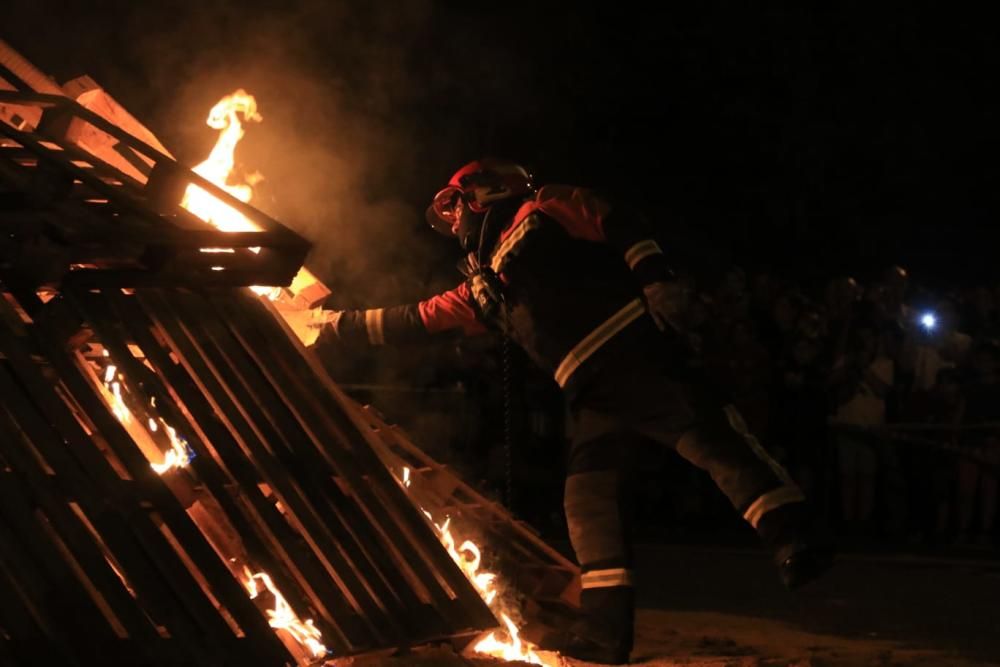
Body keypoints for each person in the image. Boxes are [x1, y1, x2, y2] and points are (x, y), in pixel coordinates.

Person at [316, 158, 833, 664]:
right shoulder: (484, 284)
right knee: (588, 501)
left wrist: (657, 280)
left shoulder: (543, 206)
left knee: (714, 444)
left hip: (635, 354)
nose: (453, 222)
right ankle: (607, 634)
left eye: (455, 207)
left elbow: (620, 221)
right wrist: (334, 325)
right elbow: (417, 318)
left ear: (485, 191)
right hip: (591, 394)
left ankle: (797, 537)